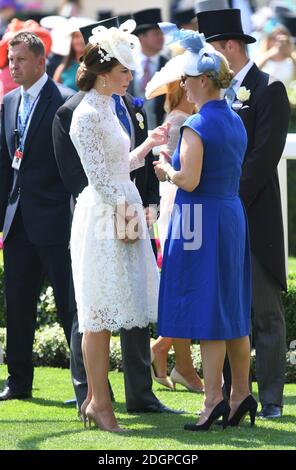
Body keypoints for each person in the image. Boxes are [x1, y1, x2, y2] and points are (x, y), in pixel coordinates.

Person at [53, 17, 181, 417]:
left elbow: (118, 166)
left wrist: (146, 147)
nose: (130, 76)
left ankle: (107, 402)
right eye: (124, 71)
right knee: (97, 315)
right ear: (105, 74)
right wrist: (128, 215)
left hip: (122, 206)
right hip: (105, 214)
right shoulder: (85, 114)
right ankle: (99, 403)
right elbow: (97, 178)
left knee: (123, 305)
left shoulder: (108, 106)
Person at [154, 23, 256, 431]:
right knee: (232, 308)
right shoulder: (234, 120)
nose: (183, 84)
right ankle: (241, 393)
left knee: (210, 309)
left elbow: (189, 180)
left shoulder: (197, 125)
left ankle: (214, 398)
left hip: (201, 218)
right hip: (230, 215)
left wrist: (166, 170)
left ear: (202, 81)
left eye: (187, 78)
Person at [197, 7, 290, 419]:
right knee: (229, 310)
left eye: (211, 51)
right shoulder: (215, 93)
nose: (207, 61)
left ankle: (270, 398)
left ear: (228, 46)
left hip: (253, 216)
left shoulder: (268, 88)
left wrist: (228, 199)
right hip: (219, 218)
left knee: (265, 311)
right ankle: (237, 395)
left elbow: (264, 155)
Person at [0, 32, 75, 401]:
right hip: (18, 223)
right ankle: (18, 382)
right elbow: (5, 166)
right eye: (10, 60)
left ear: (40, 61)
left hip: (58, 221)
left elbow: (74, 167)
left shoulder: (64, 99)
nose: (13, 66)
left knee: (69, 306)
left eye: (20, 60)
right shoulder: (9, 101)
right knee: (17, 304)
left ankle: (87, 385)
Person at [146, 54, 203, 393]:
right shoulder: (182, 119)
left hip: (178, 202)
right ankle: (178, 362)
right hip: (179, 204)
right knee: (185, 282)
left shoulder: (182, 116)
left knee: (186, 281)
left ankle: (166, 350)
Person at [129, 8, 168, 129]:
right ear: (141, 37)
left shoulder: (168, 64)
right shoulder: (129, 64)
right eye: (156, 33)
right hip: (133, 129)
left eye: (161, 33)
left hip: (160, 129)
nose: (161, 37)